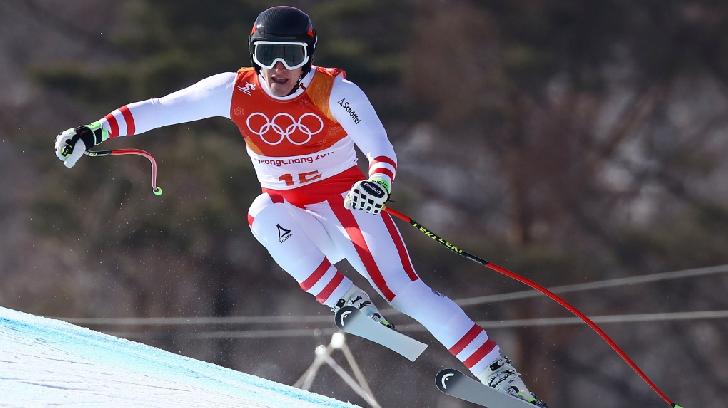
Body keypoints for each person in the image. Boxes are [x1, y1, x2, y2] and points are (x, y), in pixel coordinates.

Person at [54, 6, 545, 406]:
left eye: (291, 55)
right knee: (260, 214)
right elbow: (161, 109)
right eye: (269, 55)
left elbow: (379, 149)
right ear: (255, 54)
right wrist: (91, 132)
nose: (280, 69)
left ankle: (500, 378)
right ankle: (343, 299)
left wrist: (377, 184)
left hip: (352, 209)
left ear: (309, 54)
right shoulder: (234, 90)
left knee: (408, 294)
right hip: (299, 217)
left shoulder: (335, 92)